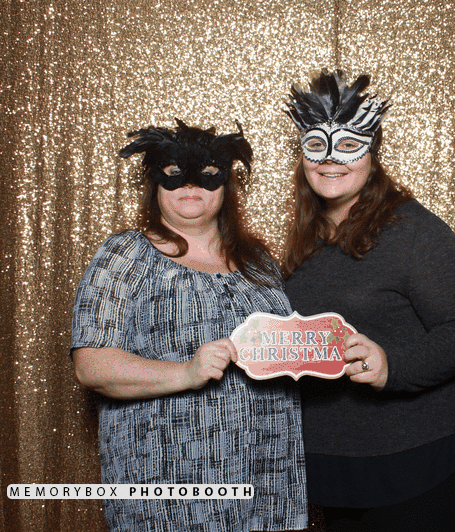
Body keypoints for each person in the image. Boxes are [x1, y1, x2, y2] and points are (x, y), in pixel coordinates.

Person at [70, 119, 307, 532]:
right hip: (170, 482)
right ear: (155, 185)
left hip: (268, 478)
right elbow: (92, 365)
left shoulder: (260, 264)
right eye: (175, 174)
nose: (191, 186)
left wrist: (336, 350)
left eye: (207, 174)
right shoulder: (126, 254)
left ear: (226, 184)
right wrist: (185, 372)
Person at [282, 70, 455, 531]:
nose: (331, 159)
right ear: (302, 155)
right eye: (317, 145)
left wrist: (391, 365)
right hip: (340, 470)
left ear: (372, 155)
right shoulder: (307, 240)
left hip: (420, 461)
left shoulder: (413, 230)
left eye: (348, 145)